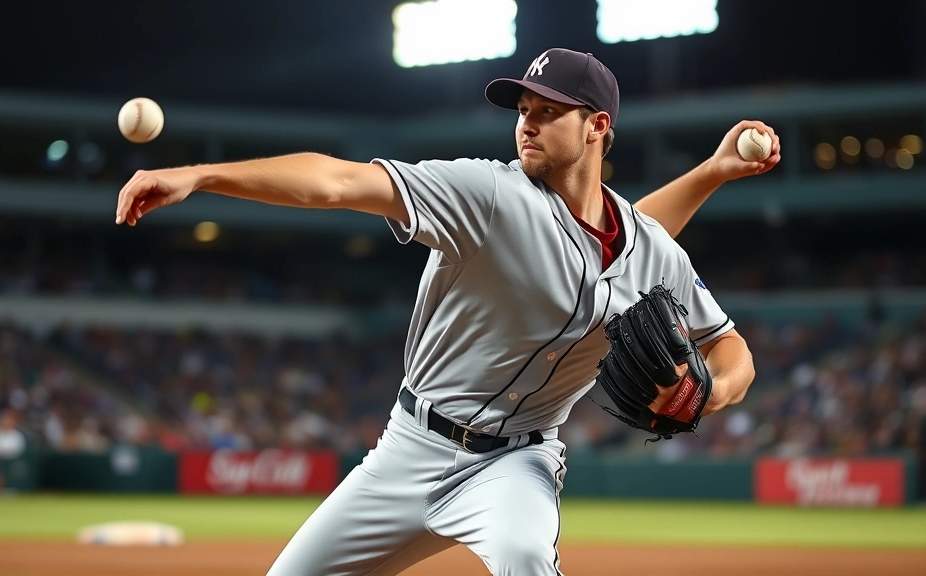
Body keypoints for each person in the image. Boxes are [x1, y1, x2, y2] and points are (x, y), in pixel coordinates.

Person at [115, 48, 780, 576]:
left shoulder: (649, 250)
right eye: (524, 107)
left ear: (597, 126)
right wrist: (202, 175)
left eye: (550, 109)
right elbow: (339, 181)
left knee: (525, 559)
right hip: (410, 449)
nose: (528, 120)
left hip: (515, 465)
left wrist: (711, 393)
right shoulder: (486, 195)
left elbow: (727, 346)